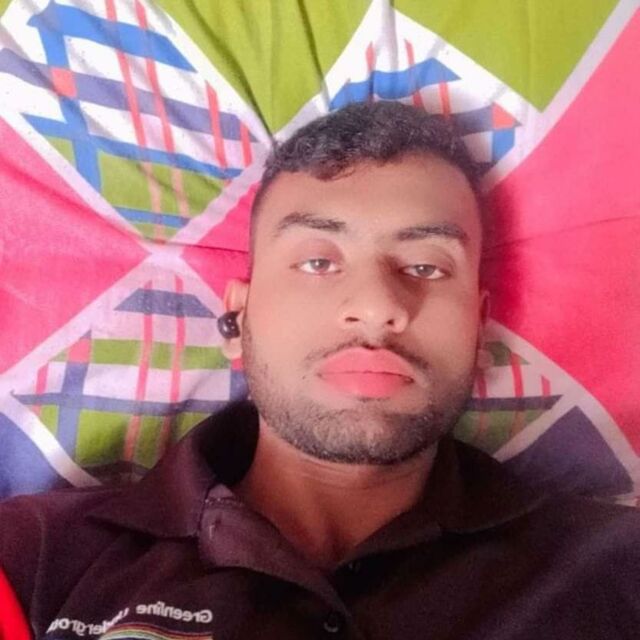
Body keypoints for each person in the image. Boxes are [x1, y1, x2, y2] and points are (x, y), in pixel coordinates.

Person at [1, 101, 639, 640]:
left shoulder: (616, 568)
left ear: (478, 330)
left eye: (425, 266)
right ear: (238, 317)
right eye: (318, 262)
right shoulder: (36, 554)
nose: (377, 306)